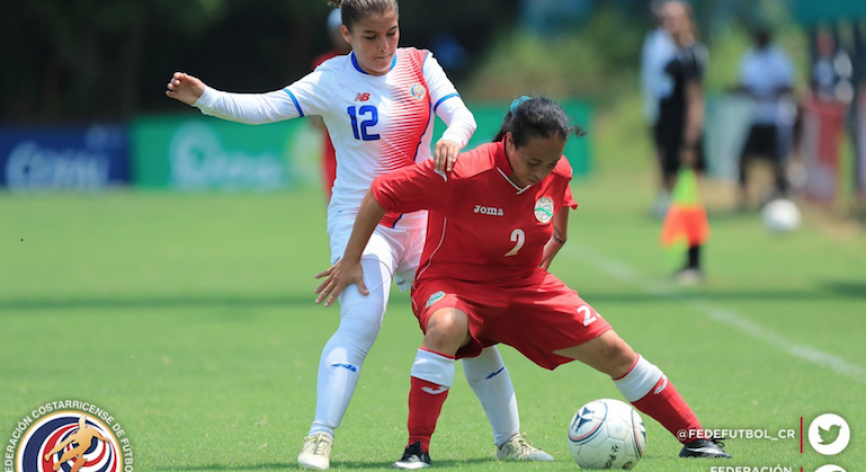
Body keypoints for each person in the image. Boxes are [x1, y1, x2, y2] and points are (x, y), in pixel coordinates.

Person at [164, 1, 552, 470]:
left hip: (427, 224)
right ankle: (320, 437)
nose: (384, 46)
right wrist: (205, 97)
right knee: (361, 323)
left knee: (470, 329)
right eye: (371, 36)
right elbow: (265, 107)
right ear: (346, 34)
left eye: (392, 32)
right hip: (362, 224)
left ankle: (510, 441)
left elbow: (462, 116)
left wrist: (452, 137)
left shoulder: (420, 64)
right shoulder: (330, 79)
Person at [314, 96, 732, 468]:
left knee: (614, 351)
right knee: (445, 327)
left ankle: (697, 440)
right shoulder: (462, 171)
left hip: (525, 286)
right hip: (453, 284)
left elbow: (560, 224)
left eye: (551, 163)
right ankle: (416, 450)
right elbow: (381, 192)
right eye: (533, 163)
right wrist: (351, 260)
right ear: (510, 142)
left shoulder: (558, 170)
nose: (542, 172)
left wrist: (545, 259)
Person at [654, 0, 708, 282]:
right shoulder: (673, 54)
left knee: (690, 199)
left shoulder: (690, 54)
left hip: (684, 139)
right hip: (671, 136)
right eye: (665, 18)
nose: (668, 23)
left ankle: (695, 264)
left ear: (687, 20)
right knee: (679, 197)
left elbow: (695, 100)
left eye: (674, 18)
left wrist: (689, 142)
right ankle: (687, 261)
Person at [734, 27, 795, 209]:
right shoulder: (749, 58)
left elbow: (788, 86)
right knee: (743, 158)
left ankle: (783, 194)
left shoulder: (778, 58)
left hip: (775, 118)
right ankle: (743, 197)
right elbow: (746, 85)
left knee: (778, 160)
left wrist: (766, 94)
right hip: (756, 117)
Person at [311, 8, 352, 202]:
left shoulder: (369, 61)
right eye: (337, 30)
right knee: (336, 203)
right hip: (334, 148)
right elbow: (316, 119)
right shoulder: (323, 64)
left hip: (365, 144)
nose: (341, 35)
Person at [640, 0, 677, 217]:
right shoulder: (653, 39)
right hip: (655, 108)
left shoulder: (670, 42)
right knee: (661, 154)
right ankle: (664, 196)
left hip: (669, 109)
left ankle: (672, 197)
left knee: (671, 155)